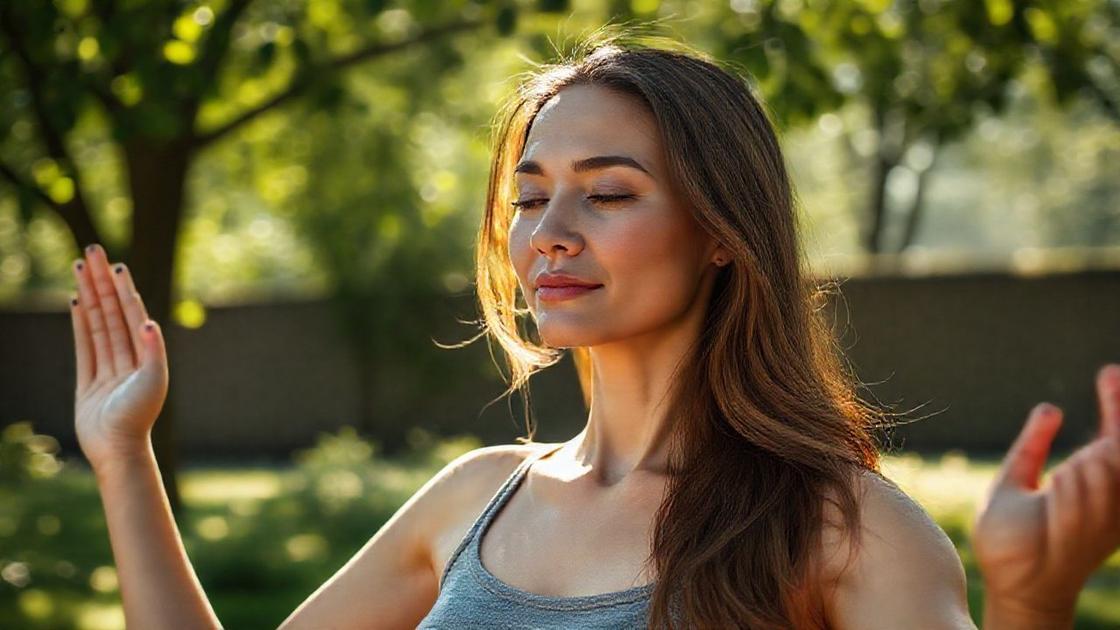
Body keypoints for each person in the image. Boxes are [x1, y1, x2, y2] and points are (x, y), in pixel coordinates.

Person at [67, 36, 1120, 630]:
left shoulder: (843, 528)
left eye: (607, 194)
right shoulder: (474, 499)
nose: (550, 236)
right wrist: (123, 458)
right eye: (530, 200)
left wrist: (1032, 602)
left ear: (719, 231)